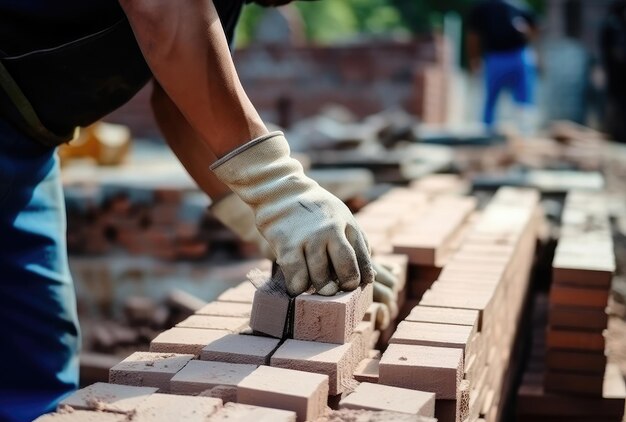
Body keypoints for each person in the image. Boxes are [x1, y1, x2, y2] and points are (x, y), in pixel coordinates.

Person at [0, 1, 398, 420]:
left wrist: (265, 219)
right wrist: (278, 183)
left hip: (26, 145)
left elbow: (181, 102)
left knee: (33, 366)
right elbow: (163, 10)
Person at [466, 0, 538, 133]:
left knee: (524, 103)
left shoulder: (519, 6)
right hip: (495, 57)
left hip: (519, 56)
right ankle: (487, 133)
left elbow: (534, 29)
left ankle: (525, 133)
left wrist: (527, 34)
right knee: (490, 102)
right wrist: (474, 60)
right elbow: (473, 36)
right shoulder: (482, 8)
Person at [601, 0, 626, 143]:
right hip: (617, 74)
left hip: (617, 73)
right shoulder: (614, 25)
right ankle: (617, 135)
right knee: (617, 104)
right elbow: (617, 53)